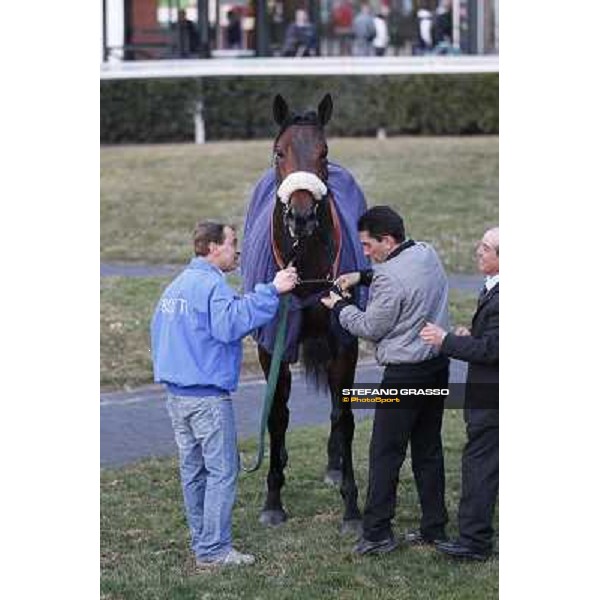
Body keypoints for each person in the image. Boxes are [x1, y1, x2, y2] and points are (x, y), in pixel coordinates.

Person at [150, 221, 298, 568]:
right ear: (213, 248)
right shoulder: (212, 287)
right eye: (233, 244)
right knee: (221, 472)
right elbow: (230, 324)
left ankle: (202, 542)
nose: (238, 251)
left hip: (176, 396)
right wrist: (272, 291)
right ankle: (214, 550)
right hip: (206, 398)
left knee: (194, 471)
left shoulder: (176, 287)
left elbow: (159, 334)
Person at [321, 206, 450, 555]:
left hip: (402, 377)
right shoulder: (426, 252)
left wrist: (338, 306)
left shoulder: (389, 279)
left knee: (384, 454)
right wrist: (361, 276)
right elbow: (392, 273)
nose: (365, 252)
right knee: (428, 449)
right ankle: (434, 526)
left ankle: (377, 532)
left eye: (367, 245)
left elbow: (370, 327)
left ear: (388, 241)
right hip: (437, 368)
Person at [420, 226, 499, 561]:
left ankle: (474, 542)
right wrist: (471, 334)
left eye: (485, 247)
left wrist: (447, 341)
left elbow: (495, 350)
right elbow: (490, 339)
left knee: (479, 466)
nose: (477, 251)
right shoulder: (494, 288)